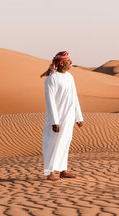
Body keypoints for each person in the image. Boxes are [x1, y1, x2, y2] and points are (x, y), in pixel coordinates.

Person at [40, 51, 84, 181]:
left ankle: (63, 170)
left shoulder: (70, 77)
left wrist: (79, 117)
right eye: (68, 61)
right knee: (51, 143)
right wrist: (55, 121)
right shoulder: (51, 80)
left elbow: (74, 97)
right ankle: (49, 172)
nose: (70, 63)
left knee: (65, 142)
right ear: (61, 63)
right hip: (56, 118)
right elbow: (50, 101)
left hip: (68, 117)